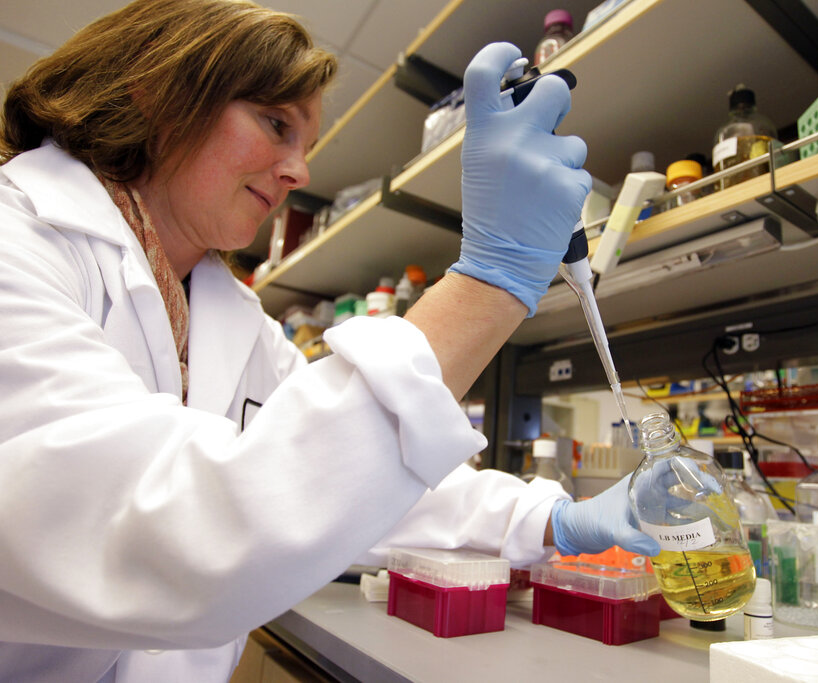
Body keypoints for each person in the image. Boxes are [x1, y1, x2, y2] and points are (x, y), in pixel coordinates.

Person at [0, 1, 659, 681]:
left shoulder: (235, 320)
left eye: (305, 146)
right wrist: (487, 284)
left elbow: (358, 472)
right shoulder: (17, 240)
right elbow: (167, 537)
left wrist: (556, 519)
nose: (299, 172)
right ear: (159, 94)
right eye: (275, 123)